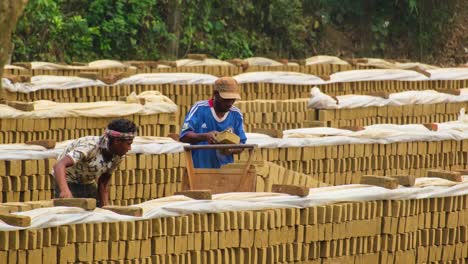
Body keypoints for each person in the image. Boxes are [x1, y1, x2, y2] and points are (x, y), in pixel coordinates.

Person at [53, 119, 137, 207]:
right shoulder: (90, 146)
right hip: (68, 181)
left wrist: (105, 206)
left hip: (88, 182)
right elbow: (59, 165)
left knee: (94, 214)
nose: (130, 148)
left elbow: (104, 181)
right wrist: (65, 190)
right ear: (117, 141)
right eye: (128, 144)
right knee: (71, 215)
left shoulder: (118, 155)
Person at [180, 76, 247, 168]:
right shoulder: (199, 108)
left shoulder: (236, 114)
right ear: (215, 94)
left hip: (225, 173)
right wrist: (205, 136)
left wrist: (231, 149)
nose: (230, 103)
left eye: (233, 99)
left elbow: (242, 144)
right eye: (226, 99)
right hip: (200, 171)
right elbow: (184, 136)